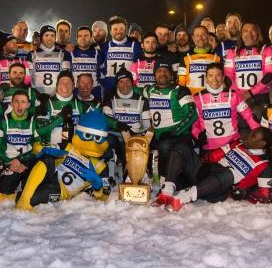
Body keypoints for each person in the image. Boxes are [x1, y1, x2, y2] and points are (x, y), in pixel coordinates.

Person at [14, 111, 113, 210]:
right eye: (88, 136)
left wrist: (97, 185)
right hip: (50, 175)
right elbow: (37, 147)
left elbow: (104, 196)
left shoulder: (101, 167)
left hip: (60, 190)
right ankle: (24, 199)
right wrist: (44, 149)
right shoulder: (69, 147)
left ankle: (23, 195)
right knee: (47, 158)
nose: (92, 142)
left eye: (97, 138)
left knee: (34, 198)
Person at [167, 127, 272, 211]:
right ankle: (166, 191)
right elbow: (212, 156)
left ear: (262, 144)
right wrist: (204, 163)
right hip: (207, 174)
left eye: (253, 136)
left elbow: (265, 197)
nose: (249, 135)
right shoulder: (237, 144)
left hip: (220, 188)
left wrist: (245, 193)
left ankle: (183, 198)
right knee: (182, 147)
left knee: (228, 173)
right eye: (251, 133)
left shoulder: (264, 166)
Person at [142, 59, 199, 204]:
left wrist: (175, 132)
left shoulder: (180, 91)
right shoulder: (149, 90)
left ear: (172, 75)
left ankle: (165, 184)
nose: (163, 73)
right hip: (159, 135)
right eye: (159, 71)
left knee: (165, 145)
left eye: (166, 71)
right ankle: (157, 181)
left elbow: (192, 113)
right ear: (154, 75)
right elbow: (132, 90)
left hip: (180, 135)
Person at [192, 63, 258, 159]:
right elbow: (194, 124)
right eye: (210, 75)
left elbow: (249, 116)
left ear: (223, 78)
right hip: (209, 147)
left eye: (218, 75)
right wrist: (198, 135)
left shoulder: (234, 95)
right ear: (206, 78)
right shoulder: (196, 98)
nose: (214, 79)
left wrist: (259, 133)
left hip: (232, 145)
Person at [102, 68, 151, 179]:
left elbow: (147, 125)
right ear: (117, 85)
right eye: (121, 82)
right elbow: (105, 119)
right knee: (109, 143)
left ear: (132, 82)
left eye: (128, 81)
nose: (125, 85)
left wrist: (136, 134)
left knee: (134, 145)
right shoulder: (110, 100)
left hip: (136, 136)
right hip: (117, 135)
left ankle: (137, 175)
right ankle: (111, 176)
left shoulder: (143, 100)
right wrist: (117, 125)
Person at [222, 21, 272, 106]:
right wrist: (238, 94)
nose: (249, 34)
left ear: (258, 33)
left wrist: (249, 93)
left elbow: (270, 75)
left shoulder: (267, 49)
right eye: (245, 31)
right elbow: (228, 77)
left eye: (252, 30)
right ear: (241, 34)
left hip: (261, 97)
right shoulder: (233, 51)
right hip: (239, 97)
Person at [35, 71, 89, 148]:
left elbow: (97, 122)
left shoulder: (81, 105)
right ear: (57, 86)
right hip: (52, 151)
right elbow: (39, 130)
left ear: (73, 86)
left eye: (68, 83)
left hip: (74, 151)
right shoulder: (47, 104)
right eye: (62, 82)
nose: (65, 85)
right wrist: (60, 117)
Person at [99, 16, 143, 96]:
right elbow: (99, 67)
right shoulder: (104, 47)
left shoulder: (135, 45)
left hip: (129, 89)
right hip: (110, 89)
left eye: (121, 29)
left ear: (126, 30)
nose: (118, 32)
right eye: (115, 29)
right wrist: (105, 82)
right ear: (110, 32)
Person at [178, 25, 220, 94]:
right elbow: (181, 83)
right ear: (193, 38)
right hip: (192, 98)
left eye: (203, 35)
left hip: (210, 98)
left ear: (208, 36)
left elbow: (220, 81)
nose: (200, 38)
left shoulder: (217, 57)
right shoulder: (185, 58)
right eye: (197, 35)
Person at [31, 25, 71, 96]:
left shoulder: (63, 53)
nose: (49, 38)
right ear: (41, 37)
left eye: (52, 35)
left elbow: (66, 76)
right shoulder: (31, 54)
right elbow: (27, 77)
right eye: (46, 35)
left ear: (55, 37)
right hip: (36, 96)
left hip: (57, 96)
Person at [70, 26, 105, 100]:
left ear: (91, 38)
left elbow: (103, 73)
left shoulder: (98, 53)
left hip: (95, 93)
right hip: (75, 94)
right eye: (80, 36)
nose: (83, 38)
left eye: (86, 35)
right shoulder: (70, 52)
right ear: (77, 38)